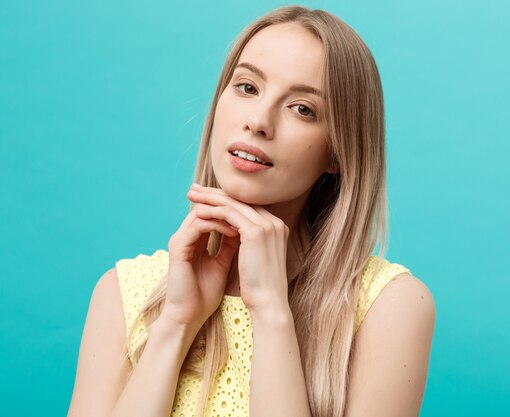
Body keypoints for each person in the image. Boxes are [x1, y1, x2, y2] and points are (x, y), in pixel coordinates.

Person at [67, 5, 435, 417]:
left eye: (302, 109)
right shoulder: (122, 293)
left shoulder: (389, 306)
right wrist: (175, 324)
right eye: (246, 87)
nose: (258, 120)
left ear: (338, 152)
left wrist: (271, 310)